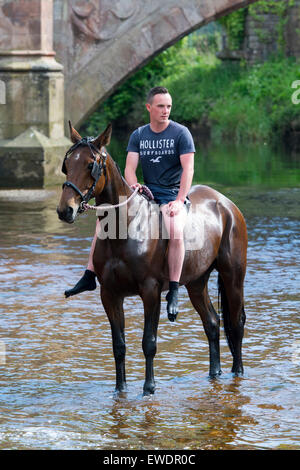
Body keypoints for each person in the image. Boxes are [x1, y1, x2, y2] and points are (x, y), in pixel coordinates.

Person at [65, 86, 195, 321]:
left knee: (175, 230)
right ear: (149, 108)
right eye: (160, 106)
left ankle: (174, 289)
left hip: (172, 195)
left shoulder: (181, 134)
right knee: (106, 220)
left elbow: (188, 169)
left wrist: (178, 200)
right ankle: (88, 274)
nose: (165, 111)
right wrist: (134, 186)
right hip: (145, 193)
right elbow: (129, 169)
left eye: (168, 107)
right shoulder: (139, 135)